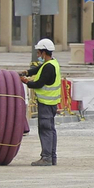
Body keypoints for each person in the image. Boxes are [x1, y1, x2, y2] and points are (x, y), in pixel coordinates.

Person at [21, 38, 62, 166]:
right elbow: (38, 69)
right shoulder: (52, 63)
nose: (38, 55)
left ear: (44, 52)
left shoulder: (48, 67)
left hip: (46, 104)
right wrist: (26, 72)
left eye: (39, 53)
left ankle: (46, 158)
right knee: (51, 130)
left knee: (45, 130)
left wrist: (26, 81)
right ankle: (52, 157)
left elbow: (38, 84)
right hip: (51, 103)